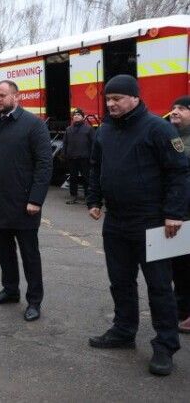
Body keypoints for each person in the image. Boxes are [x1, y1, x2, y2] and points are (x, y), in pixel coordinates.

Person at [86, 75, 187, 376]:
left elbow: (179, 172)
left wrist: (174, 213)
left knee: (159, 286)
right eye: (108, 98)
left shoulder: (159, 129)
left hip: (154, 222)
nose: (111, 104)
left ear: (134, 98)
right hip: (116, 221)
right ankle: (123, 330)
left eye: (117, 98)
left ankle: (165, 345)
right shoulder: (104, 130)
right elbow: (96, 166)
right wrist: (93, 199)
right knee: (120, 281)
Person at [0, 80, 52, 322]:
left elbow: (44, 165)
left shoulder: (33, 125)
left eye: (2, 95)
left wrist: (36, 199)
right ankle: (10, 290)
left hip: (25, 204)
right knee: (5, 252)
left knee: (29, 255)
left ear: (17, 97)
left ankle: (34, 300)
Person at [167, 95, 190, 334]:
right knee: (179, 267)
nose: (174, 112)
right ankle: (182, 309)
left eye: (181, 108)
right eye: (173, 108)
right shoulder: (171, 137)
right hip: (177, 214)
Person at [62, 108, 95, 204]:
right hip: (72, 158)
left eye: (78, 115)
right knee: (73, 178)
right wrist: (64, 154)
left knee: (86, 178)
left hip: (85, 158)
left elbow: (94, 144)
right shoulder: (68, 129)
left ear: (83, 117)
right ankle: (73, 196)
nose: (76, 116)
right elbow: (65, 143)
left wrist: (93, 157)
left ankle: (88, 197)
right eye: (75, 115)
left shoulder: (89, 129)